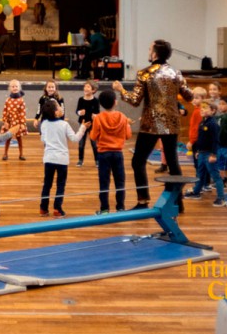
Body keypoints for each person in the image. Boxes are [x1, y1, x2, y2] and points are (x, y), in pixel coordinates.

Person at [113, 39, 194, 210]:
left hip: (151, 124)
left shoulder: (145, 73)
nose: (148, 52)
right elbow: (189, 96)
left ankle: (143, 201)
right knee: (173, 163)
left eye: (150, 49)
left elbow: (134, 100)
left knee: (138, 161)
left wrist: (121, 90)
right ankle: (177, 202)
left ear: (155, 54)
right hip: (171, 123)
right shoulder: (176, 73)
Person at [38, 98, 90, 218]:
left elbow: (43, 140)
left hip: (49, 158)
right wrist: (83, 127)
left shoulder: (44, 124)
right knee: (60, 184)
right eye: (58, 106)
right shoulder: (64, 124)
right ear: (56, 112)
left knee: (47, 184)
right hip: (61, 159)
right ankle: (57, 209)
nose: (61, 108)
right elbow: (75, 139)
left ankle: (43, 208)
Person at [89, 89, 132, 214]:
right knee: (120, 181)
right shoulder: (122, 117)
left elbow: (93, 136)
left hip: (103, 154)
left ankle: (104, 209)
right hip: (118, 153)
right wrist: (128, 125)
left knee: (104, 182)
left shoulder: (98, 118)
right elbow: (128, 136)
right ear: (115, 102)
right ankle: (120, 207)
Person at [184, 101, 226, 206]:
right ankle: (196, 192)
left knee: (215, 175)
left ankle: (221, 198)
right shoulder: (203, 122)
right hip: (201, 153)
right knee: (200, 174)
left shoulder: (213, 124)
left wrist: (213, 155)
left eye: (206, 108)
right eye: (202, 108)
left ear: (213, 111)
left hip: (209, 154)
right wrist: (198, 150)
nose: (202, 110)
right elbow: (200, 139)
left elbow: (215, 141)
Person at [183, 87, 209, 184]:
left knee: (198, 163)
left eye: (196, 98)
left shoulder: (198, 112)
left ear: (203, 99)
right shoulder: (198, 110)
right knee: (201, 162)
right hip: (199, 141)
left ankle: (200, 184)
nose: (194, 100)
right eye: (193, 97)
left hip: (198, 141)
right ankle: (205, 183)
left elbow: (197, 129)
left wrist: (192, 141)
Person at [1, 79, 27, 161]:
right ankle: (5, 153)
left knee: (19, 138)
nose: (15, 88)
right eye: (13, 86)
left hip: (18, 122)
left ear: (19, 88)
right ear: (10, 88)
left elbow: (23, 112)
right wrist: (5, 121)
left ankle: (21, 154)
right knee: (8, 137)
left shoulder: (21, 100)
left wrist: (22, 123)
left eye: (16, 86)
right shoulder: (8, 100)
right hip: (10, 121)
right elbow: (5, 111)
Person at [76, 80, 100, 167]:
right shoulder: (81, 99)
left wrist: (95, 116)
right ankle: (80, 160)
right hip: (82, 123)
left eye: (88, 87)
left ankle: (97, 160)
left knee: (94, 143)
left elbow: (98, 112)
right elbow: (77, 111)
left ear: (93, 90)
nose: (85, 88)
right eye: (85, 86)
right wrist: (80, 113)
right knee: (81, 143)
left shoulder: (96, 100)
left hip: (92, 124)